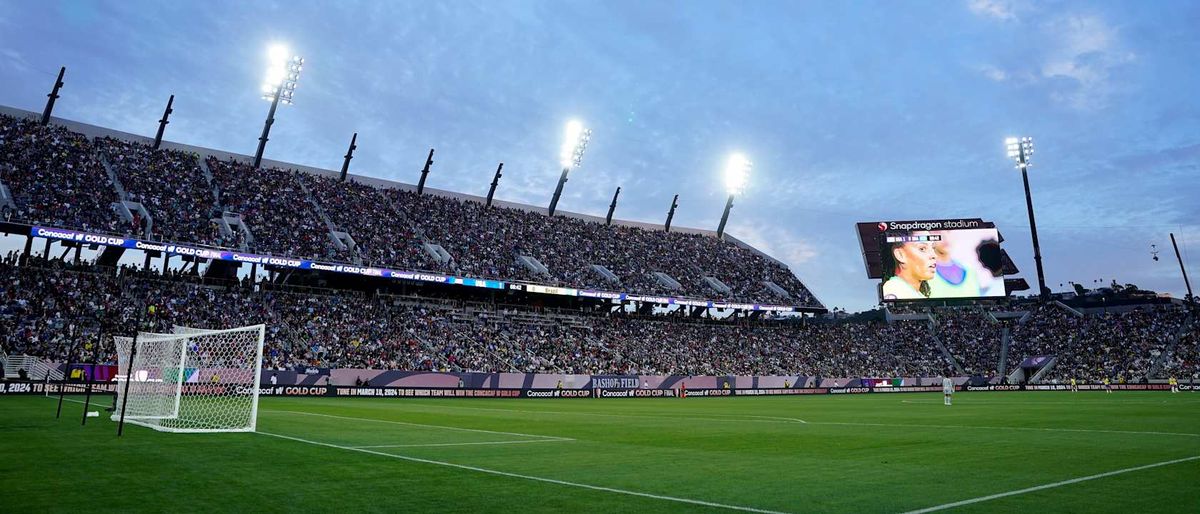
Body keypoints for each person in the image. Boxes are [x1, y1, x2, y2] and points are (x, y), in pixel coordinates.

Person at [881, 235, 937, 300]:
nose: (934, 255)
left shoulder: (913, 293)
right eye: (922, 249)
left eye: (933, 248)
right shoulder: (893, 289)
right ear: (900, 255)